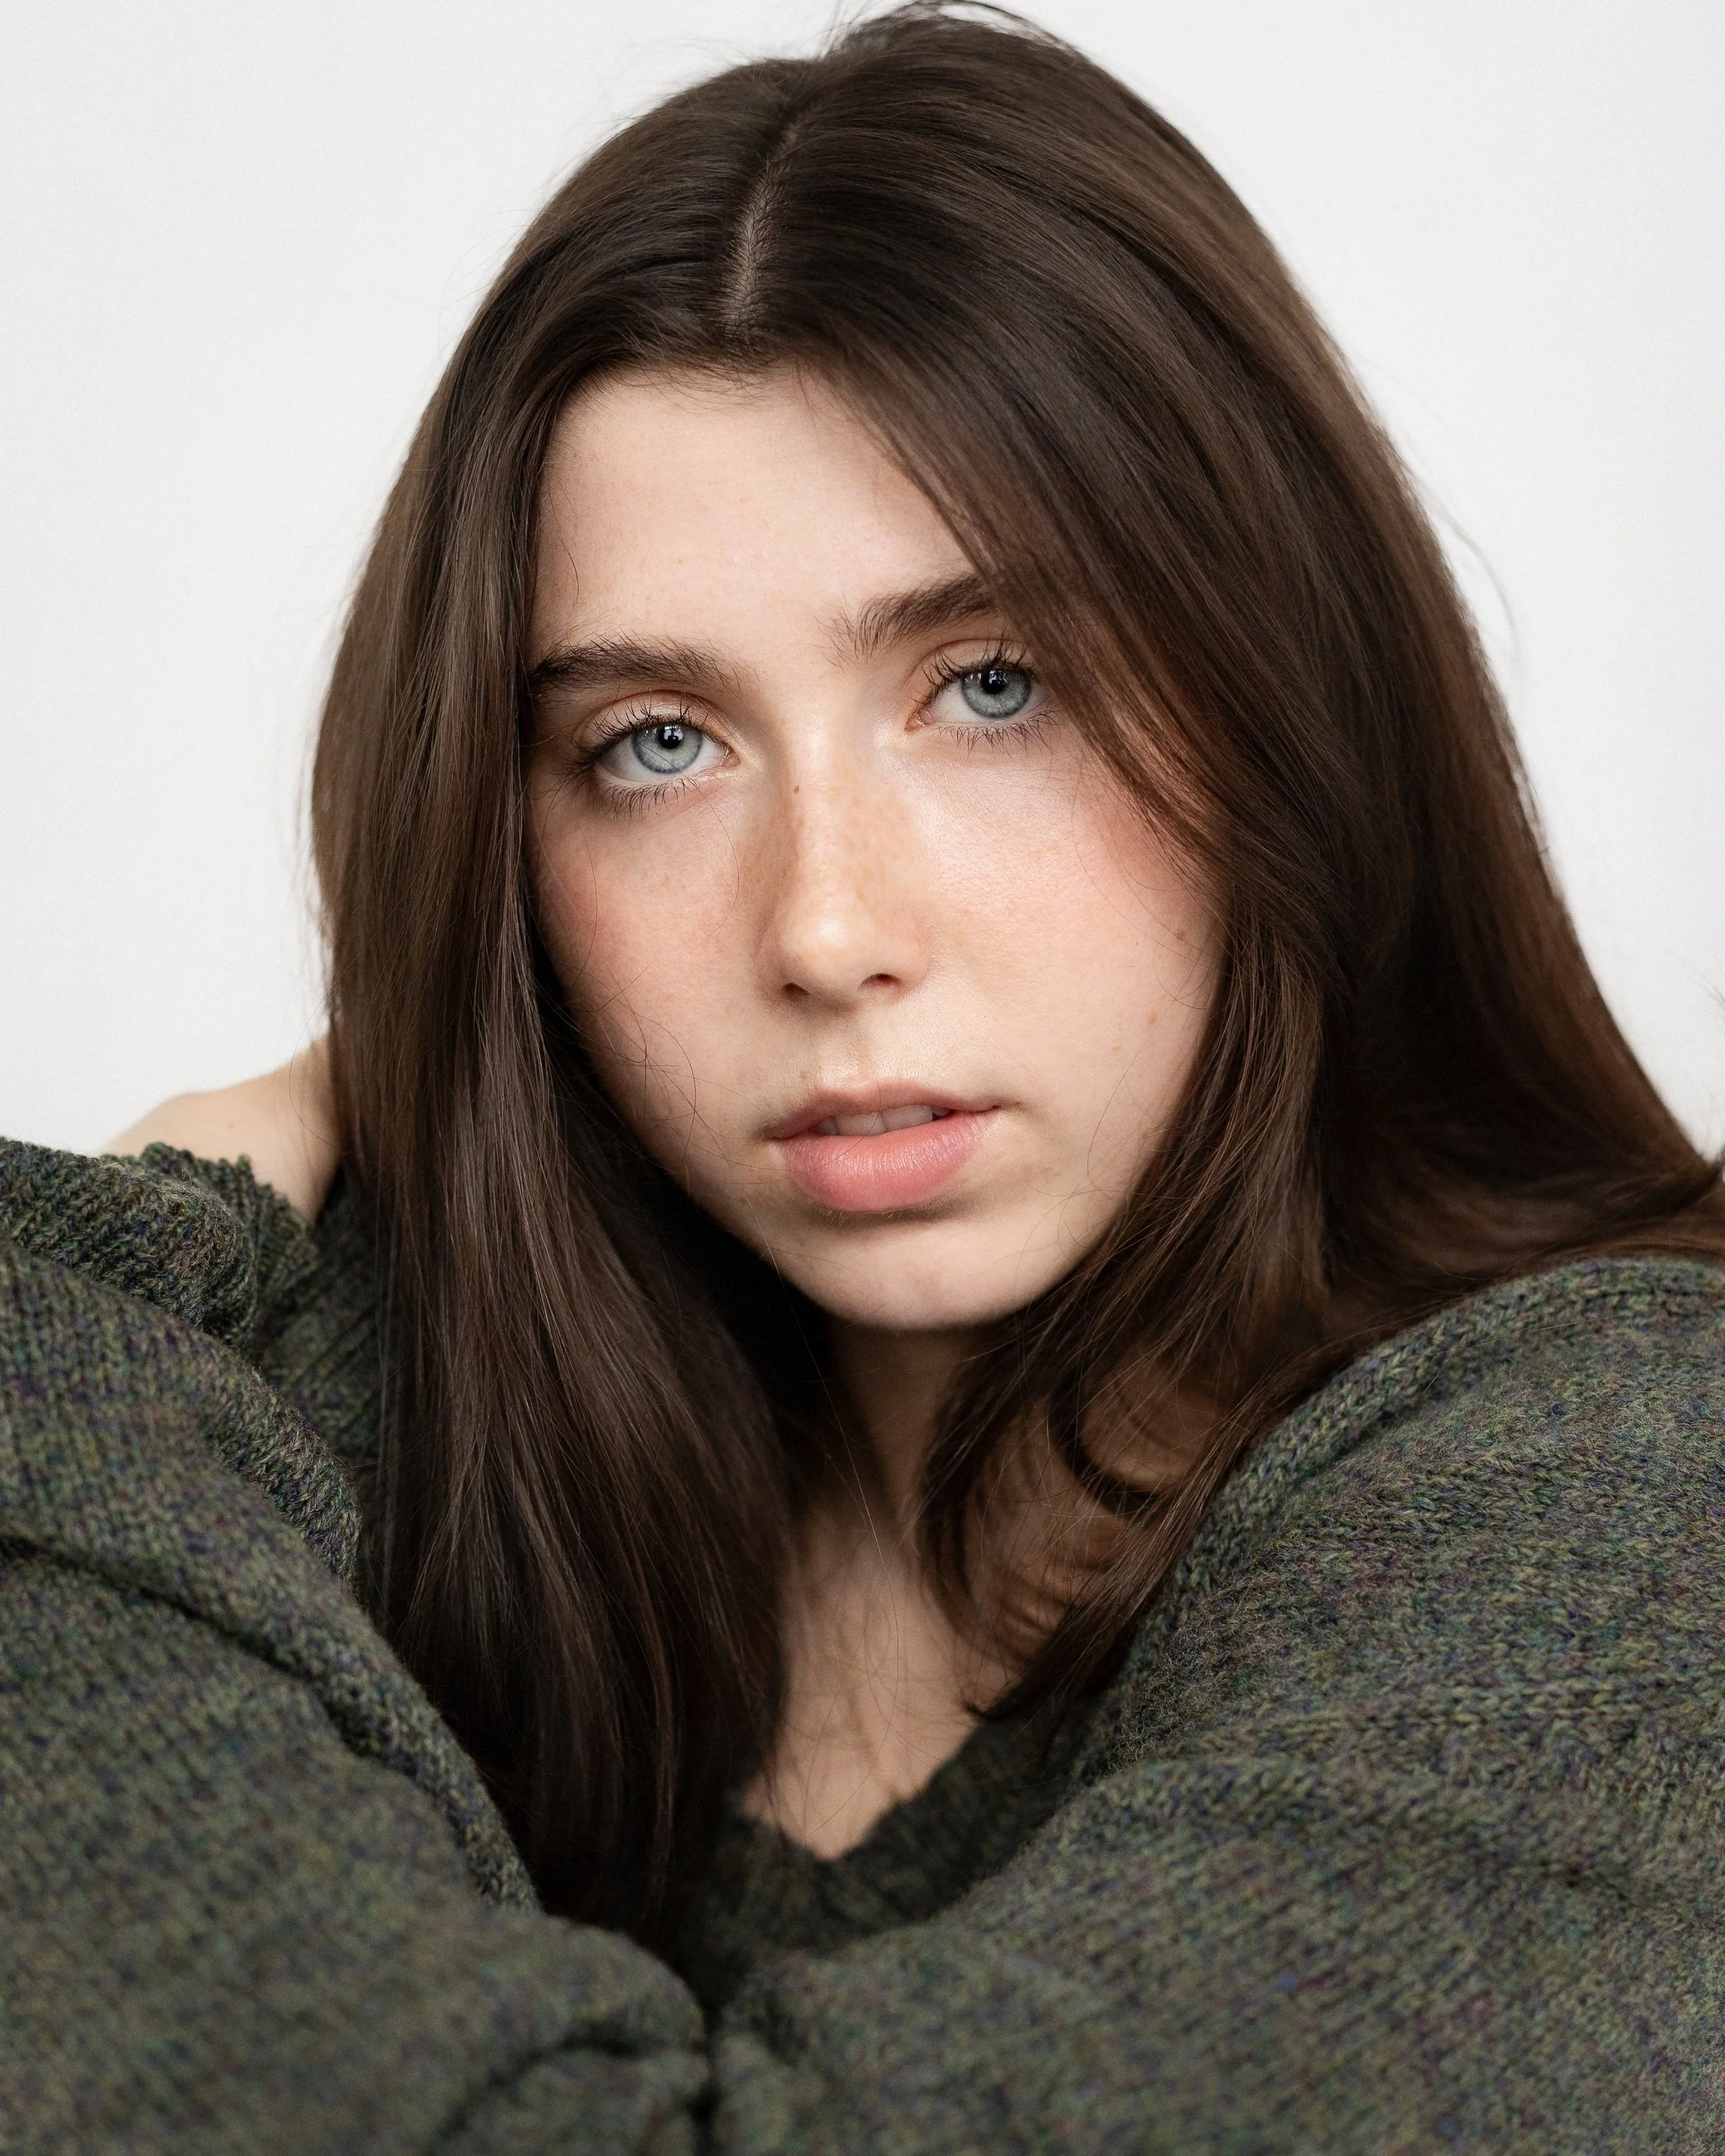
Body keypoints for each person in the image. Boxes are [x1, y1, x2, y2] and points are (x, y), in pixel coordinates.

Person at [4, 5, 1723, 2146]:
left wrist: (55, 1309)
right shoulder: (349, 1437)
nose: (824, 927)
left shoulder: (1635, 1505)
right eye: (654, 744)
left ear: (1296, 702)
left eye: (990, 688)